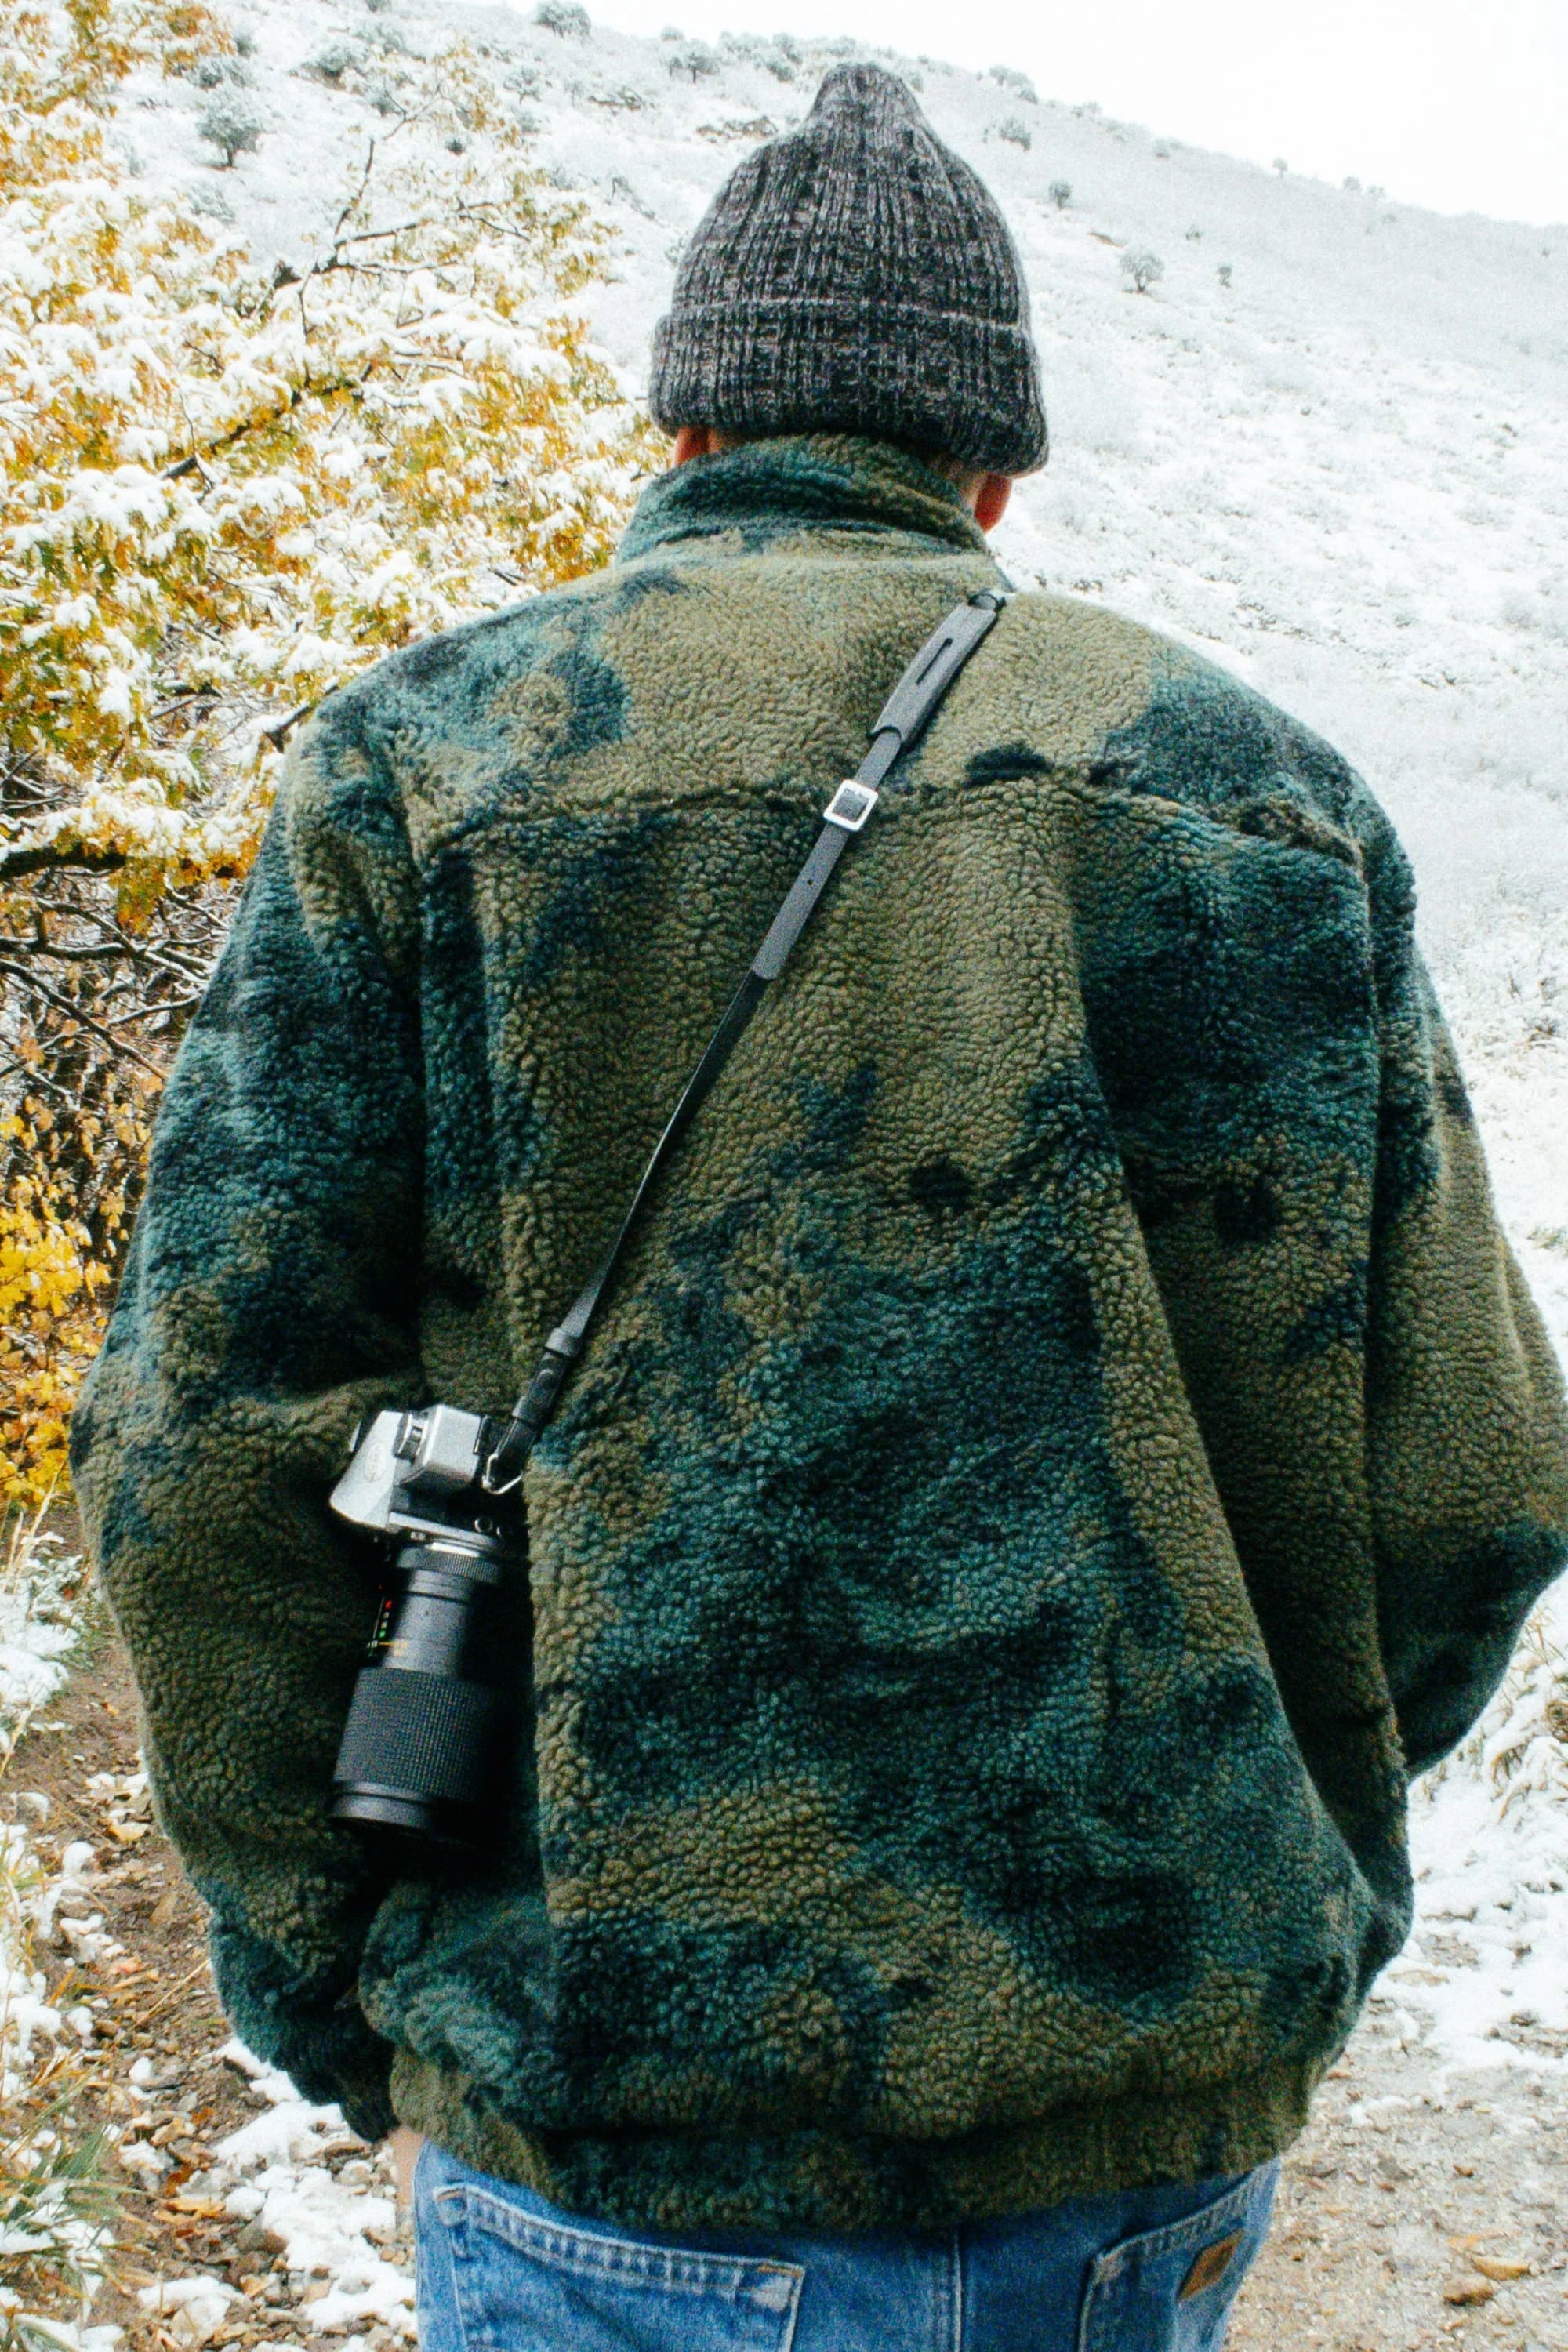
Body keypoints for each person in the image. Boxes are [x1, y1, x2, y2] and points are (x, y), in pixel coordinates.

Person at [71, 62, 1567, 2352]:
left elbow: (205, 1445)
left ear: (687, 431)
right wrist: (1261, 1883)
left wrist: (343, 1983)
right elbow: (1471, 1485)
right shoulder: (1263, 798)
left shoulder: (430, 762)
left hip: (616, 2126)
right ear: (994, 471)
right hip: (1134, 2134)